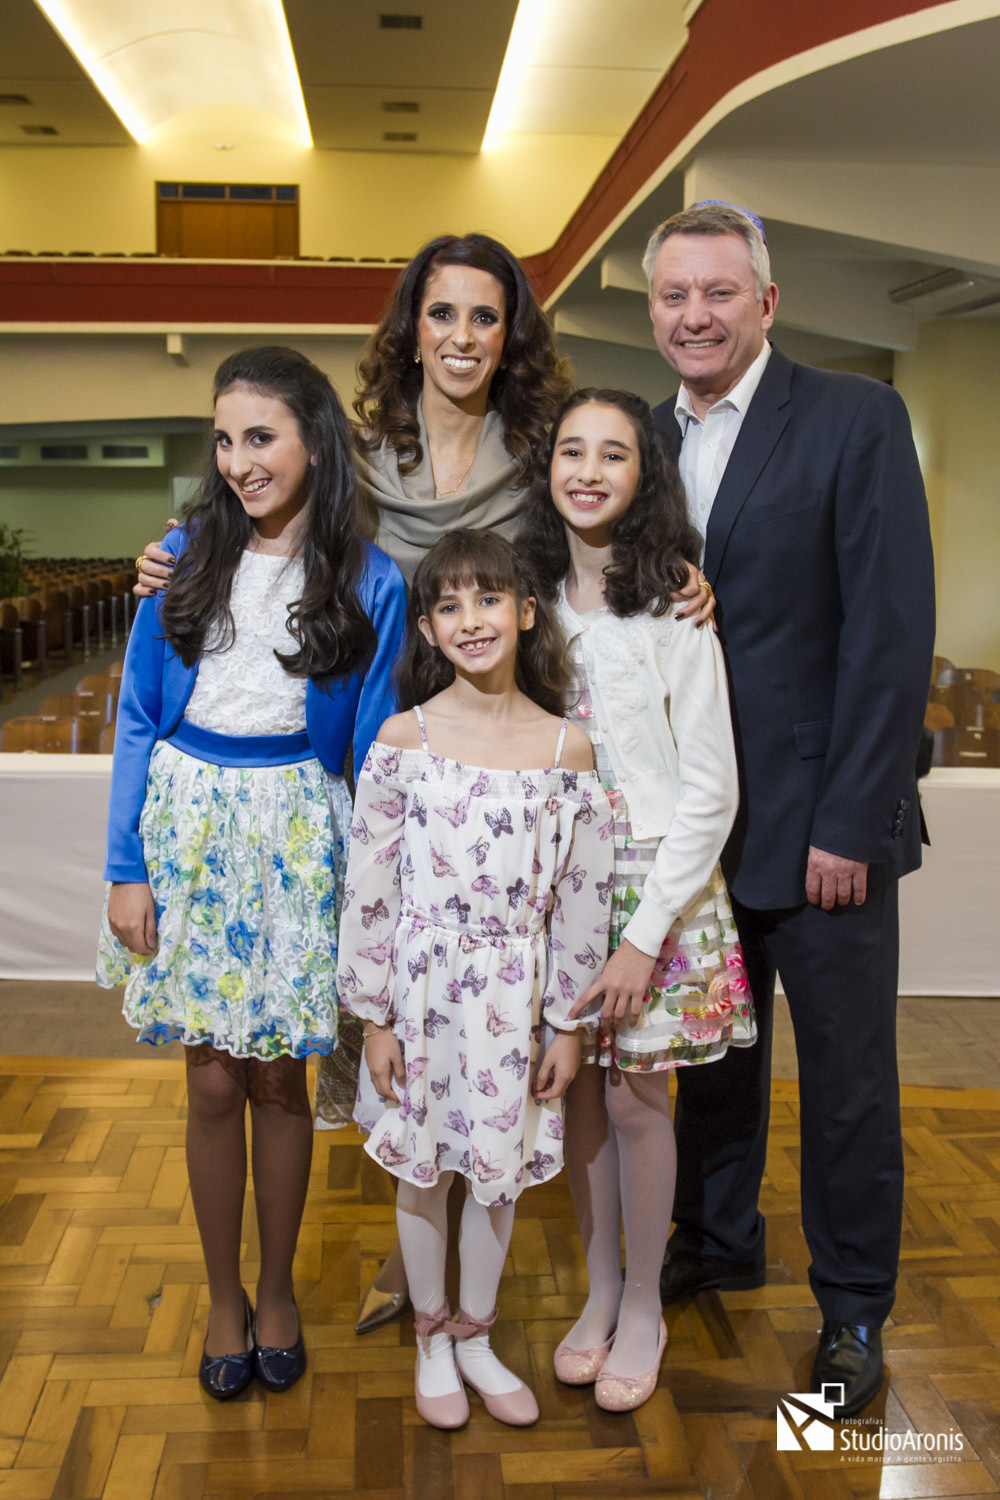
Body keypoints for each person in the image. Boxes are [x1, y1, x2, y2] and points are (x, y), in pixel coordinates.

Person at [130, 233, 714, 1332]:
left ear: (511, 337)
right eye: (441, 315)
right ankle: (415, 1233)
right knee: (401, 1016)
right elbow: (265, 526)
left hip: (499, 762)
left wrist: (678, 576)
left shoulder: (538, 446)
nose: (461, 338)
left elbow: (604, 532)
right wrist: (167, 551)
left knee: (497, 1015)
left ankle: (466, 1265)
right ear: (410, 329)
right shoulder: (357, 453)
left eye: (484, 318)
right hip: (380, 754)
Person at [644, 202, 935, 1416]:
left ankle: (854, 1311)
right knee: (712, 1064)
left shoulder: (854, 418)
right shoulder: (630, 442)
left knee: (848, 1083)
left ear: (766, 303)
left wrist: (845, 822)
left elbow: (887, 631)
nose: (694, 315)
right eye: (673, 296)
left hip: (822, 829)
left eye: (718, 292)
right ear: (652, 310)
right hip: (692, 834)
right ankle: (716, 1240)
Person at [97, 346, 406, 1400]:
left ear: (314, 440)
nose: (238, 461)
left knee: (280, 1078)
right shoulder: (180, 556)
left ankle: (276, 1292)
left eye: (260, 437)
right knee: (211, 1078)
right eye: (223, 439)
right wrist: (125, 866)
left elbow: (370, 752)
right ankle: (221, 1298)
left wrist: (372, 900)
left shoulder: (371, 577)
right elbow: (137, 716)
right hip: (189, 833)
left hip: (297, 837)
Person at [338, 528, 612, 1429]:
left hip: (513, 999)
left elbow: (580, 901)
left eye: (488, 599)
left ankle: (477, 1335)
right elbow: (372, 886)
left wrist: (566, 1025)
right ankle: (428, 1338)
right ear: (427, 628)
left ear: (526, 612)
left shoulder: (568, 749)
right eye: (448, 605)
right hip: (420, 991)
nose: (471, 619)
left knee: (495, 1172)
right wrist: (375, 1016)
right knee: (426, 1171)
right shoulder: (403, 738)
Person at [517, 390, 754, 1412]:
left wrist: (643, 936)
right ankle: (599, 1287)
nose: (587, 470)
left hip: (660, 884)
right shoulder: (523, 603)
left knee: (635, 1097)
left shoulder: (672, 607)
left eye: (612, 454)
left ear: (641, 476)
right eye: (571, 451)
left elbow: (712, 790)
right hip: (558, 885)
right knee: (575, 1093)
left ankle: (647, 1303)